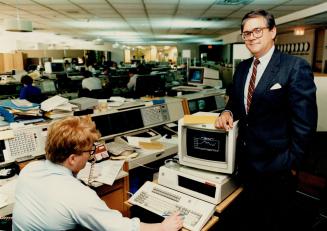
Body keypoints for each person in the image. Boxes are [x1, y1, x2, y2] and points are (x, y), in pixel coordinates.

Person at [215, 9, 317, 231]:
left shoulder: (294, 67)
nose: (251, 36)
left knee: (277, 222)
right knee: (251, 218)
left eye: (257, 30)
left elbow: (305, 124)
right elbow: (235, 102)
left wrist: (292, 164)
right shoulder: (242, 68)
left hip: (278, 167)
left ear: (273, 32)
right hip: (246, 163)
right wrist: (226, 112)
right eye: (246, 33)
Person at [12, 116, 183, 231]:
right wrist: (162, 227)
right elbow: (121, 228)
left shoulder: (29, 170)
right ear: (72, 159)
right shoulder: (78, 196)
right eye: (88, 151)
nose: (91, 156)